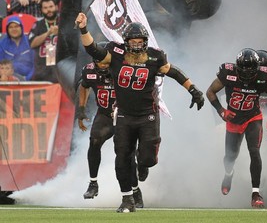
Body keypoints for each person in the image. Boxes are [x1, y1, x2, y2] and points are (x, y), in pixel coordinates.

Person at [75, 12, 205, 213]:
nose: (136, 45)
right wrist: (83, 28)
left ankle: (142, 163)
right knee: (122, 157)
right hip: (125, 115)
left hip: (148, 115)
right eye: (133, 41)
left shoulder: (155, 56)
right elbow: (92, 48)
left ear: (145, 42)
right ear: (125, 42)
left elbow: (174, 72)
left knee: (147, 160)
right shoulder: (115, 54)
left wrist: (193, 89)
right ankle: (127, 199)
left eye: (140, 41)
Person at [206, 48, 267, 209]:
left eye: (250, 71)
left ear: (257, 68)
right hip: (233, 119)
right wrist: (221, 111)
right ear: (237, 67)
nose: (246, 75)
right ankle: (229, 174)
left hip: (253, 117)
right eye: (243, 70)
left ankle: (255, 193)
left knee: (254, 151)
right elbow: (210, 92)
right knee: (230, 157)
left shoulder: (264, 76)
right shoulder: (227, 72)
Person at [76, 50, 144, 208]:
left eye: (107, 62)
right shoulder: (89, 71)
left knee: (127, 155)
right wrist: (81, 110)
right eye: (101, 63)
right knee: (94, 140)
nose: (105, 66)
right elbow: (84, 86)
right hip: (105, 115)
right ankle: (93, 183)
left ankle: (135, 191)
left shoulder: (123, 68)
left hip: (125, 116)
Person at [28, 0, 59, 82]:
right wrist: (48, 33)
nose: (48, 10)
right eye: (45, 8)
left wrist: (60, 33)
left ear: (56, 7)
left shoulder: (64, 23)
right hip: (41, 68)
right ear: (41, 10)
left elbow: (72, 42)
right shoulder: (37, 25)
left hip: (60, 67)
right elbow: (32, 44)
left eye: (51, 7)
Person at [0, 15, 34, 80]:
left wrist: (27, 79)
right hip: (8, 79)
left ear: (21, 28)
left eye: (16, 26)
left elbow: (35, 65)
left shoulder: (30, 42)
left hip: (29, 79)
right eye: (11, 27)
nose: (14, 29)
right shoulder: (2, 44)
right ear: (7, 30)